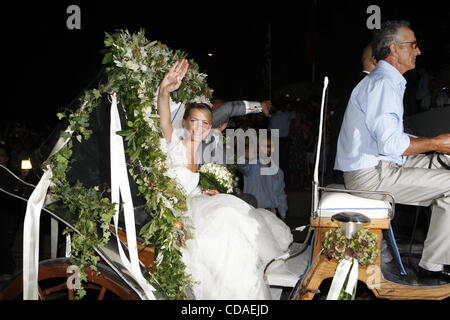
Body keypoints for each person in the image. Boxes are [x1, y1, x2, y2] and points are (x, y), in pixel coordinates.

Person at [157, 59, 293, 299]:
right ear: (185, 123)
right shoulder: (173, 142)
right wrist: (164, 90)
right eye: (194, 122)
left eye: (205, 124)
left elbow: (186, 183)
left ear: (210, 127)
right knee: (226, 219)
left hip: (193, 203)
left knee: (233, 209)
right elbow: (165, 119)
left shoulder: (199, 150)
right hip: (175, 214)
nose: (199, 128)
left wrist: (202, 192)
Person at [335, 20, 450, 281]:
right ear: (394, 50)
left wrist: (435, 146)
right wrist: (435, 143)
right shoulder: (384, 84)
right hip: (371, 176)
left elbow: (390, 138)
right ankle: (433, 265)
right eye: (413, 45)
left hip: (377, 167)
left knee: (441, 162)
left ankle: (437, 257)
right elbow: (391, 144)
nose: (418, 51)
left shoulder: (385, 81)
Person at [238, 131, 288, 219]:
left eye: (269, 146)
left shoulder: (278, 172)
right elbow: (243, 165)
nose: (266, 149)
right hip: (253, 213)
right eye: (263, 146)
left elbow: (281, 195)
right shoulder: (252, 165)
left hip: (271, 214)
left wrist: (283, 215)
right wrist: (245, 156)